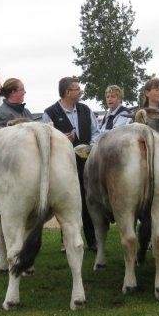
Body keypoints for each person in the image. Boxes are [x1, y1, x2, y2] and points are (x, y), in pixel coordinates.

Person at [42, 77, 100, 250]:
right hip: (63, 165)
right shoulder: (50, 113)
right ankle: (66, 241)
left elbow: (96, 132)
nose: (80, 92)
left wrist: (90, 146)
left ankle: (92, 240)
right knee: (65, 201)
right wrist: (61, 140)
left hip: (86, 163)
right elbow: (46, 139)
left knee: (88, 200)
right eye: (77, 89)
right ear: (67, 92)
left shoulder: (85, 109)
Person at [0, 78, 34, 258]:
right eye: (22, 89)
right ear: (13, 92)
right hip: (7, 168)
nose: (24, 92)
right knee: (0, 208)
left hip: (25, 165)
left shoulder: (25, 111)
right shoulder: (1, 114)